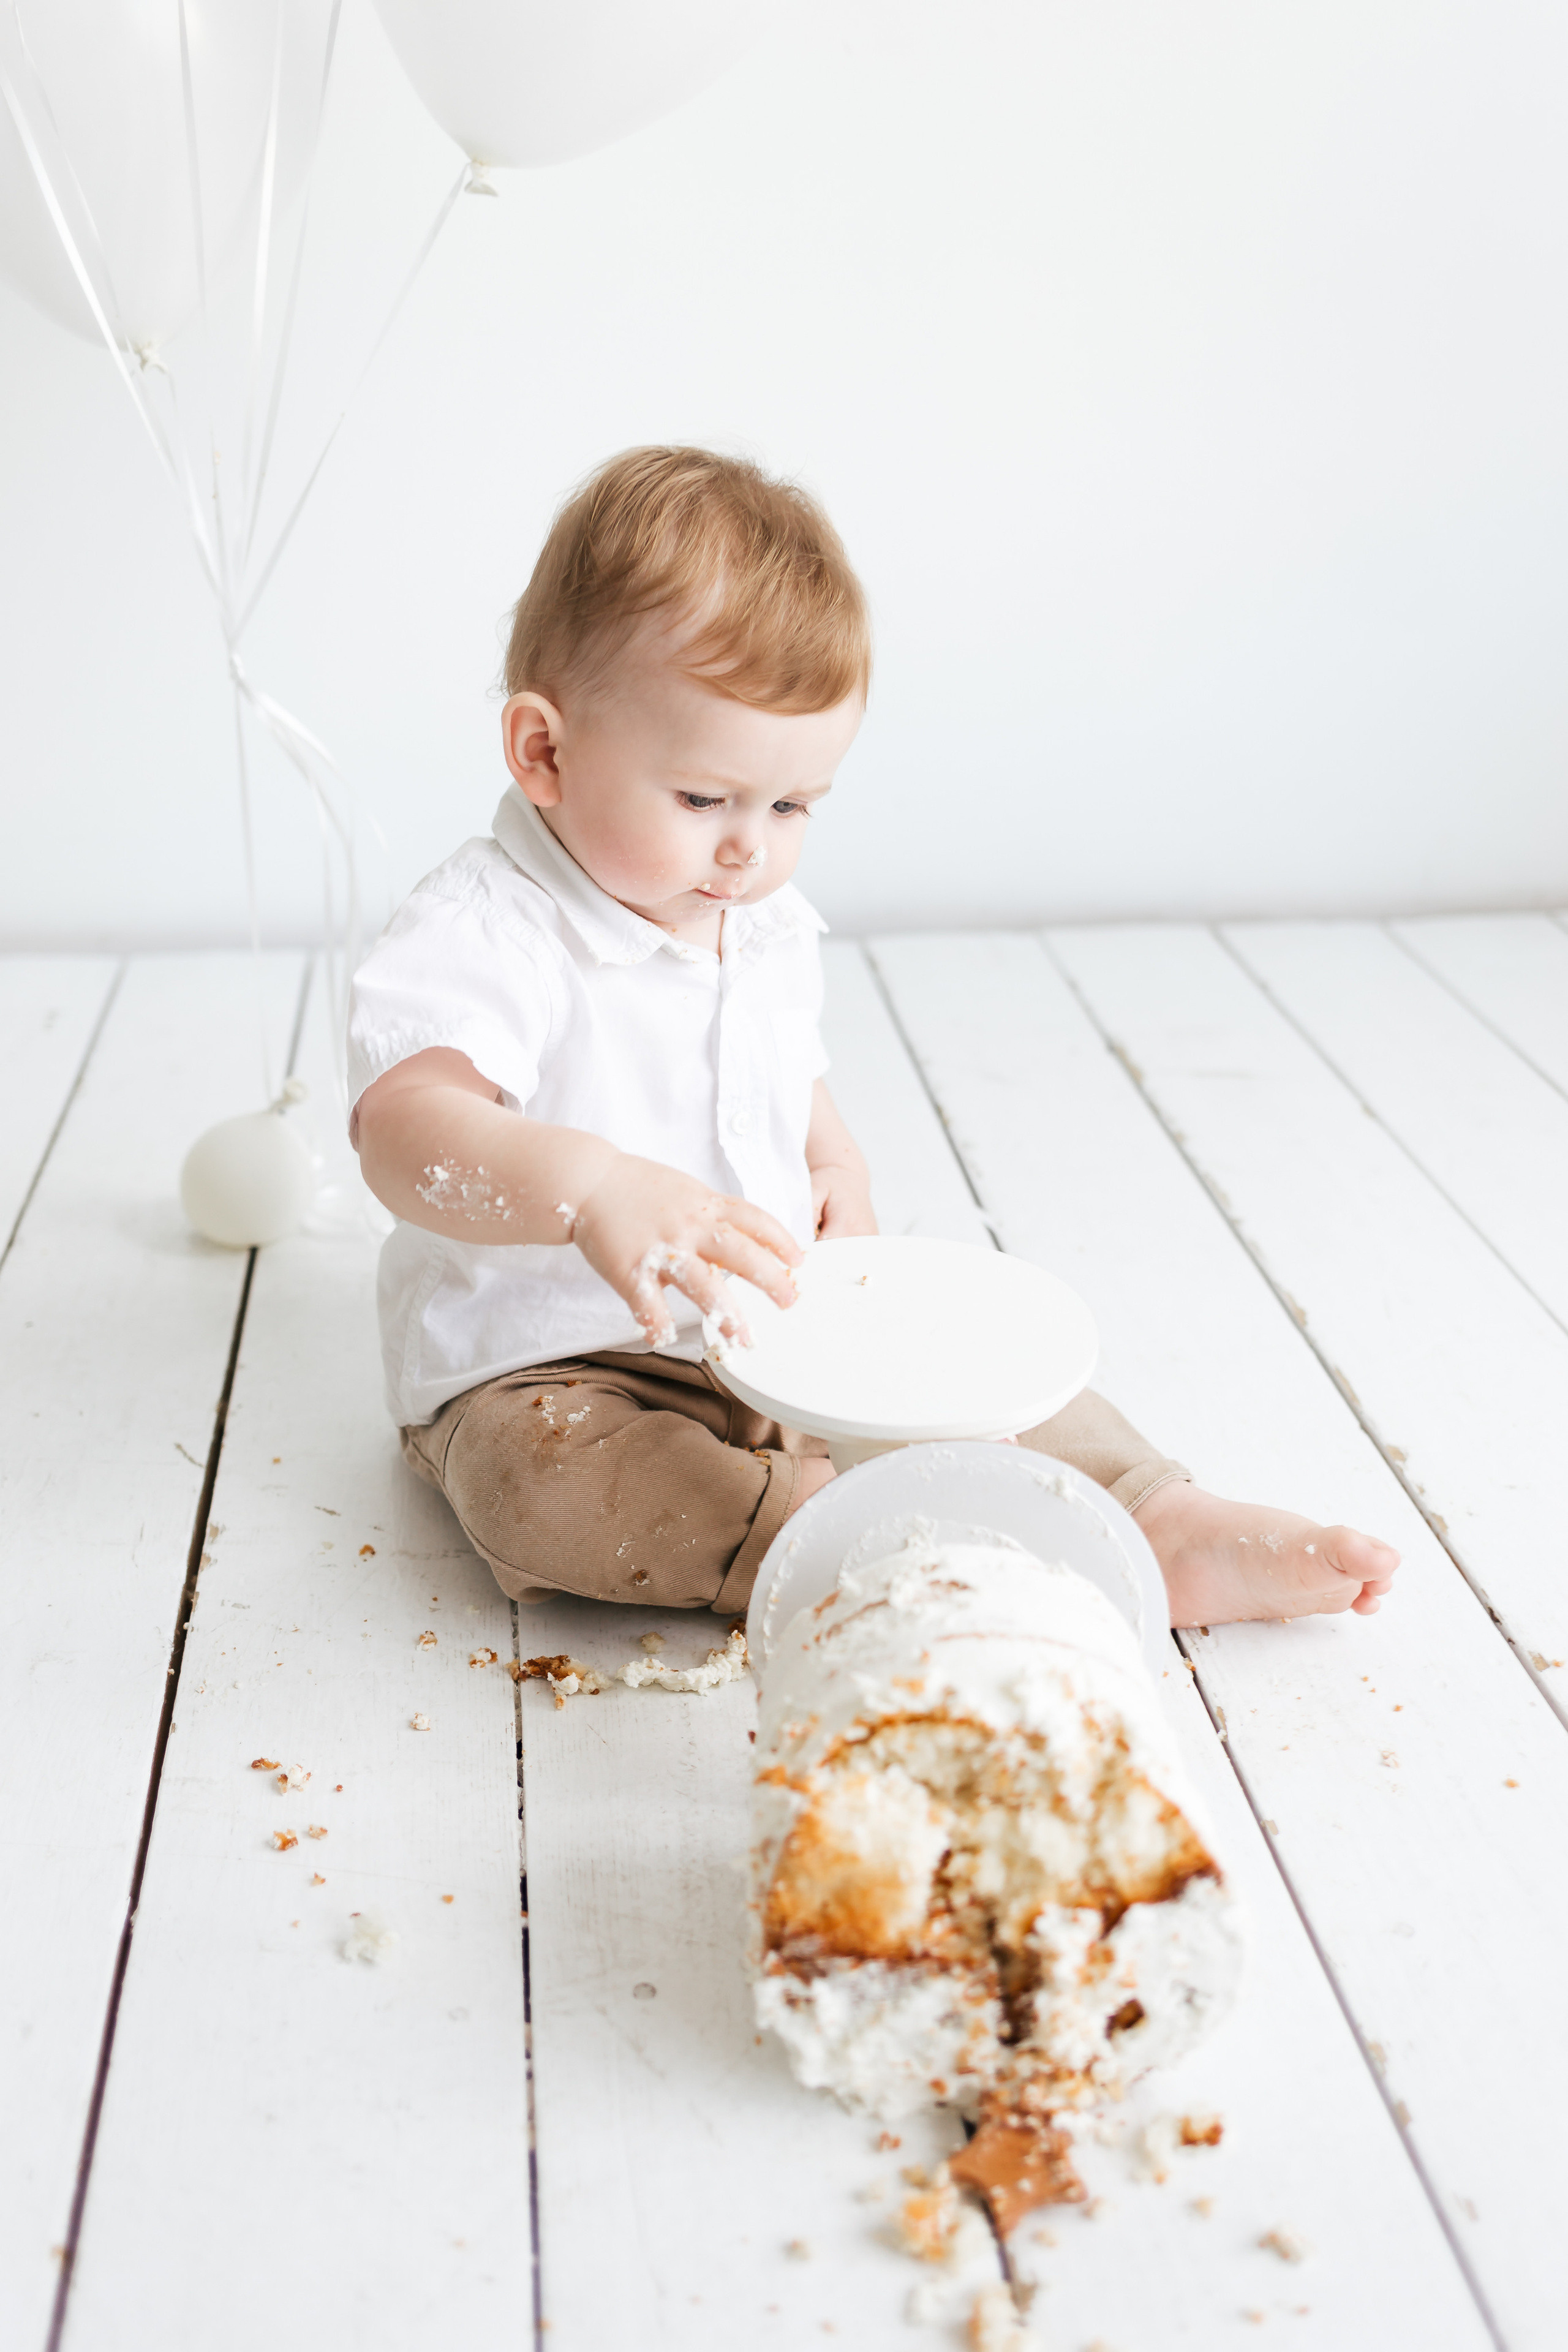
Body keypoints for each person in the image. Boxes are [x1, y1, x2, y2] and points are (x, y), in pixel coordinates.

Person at [349, 447, 1399, 1630]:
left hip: (773, 1327)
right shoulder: (490, 932)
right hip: (554, 1364)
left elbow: (782, 1065)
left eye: (792, 806)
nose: (751, 848)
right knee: (539, 1479)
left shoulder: (754, 917)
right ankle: (825, 1533)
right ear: (544, 750)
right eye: (704, 800)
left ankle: (1151, 1520)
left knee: (972, 1356)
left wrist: (834, 1167)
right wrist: (590, 1190)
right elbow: (404, 1129)